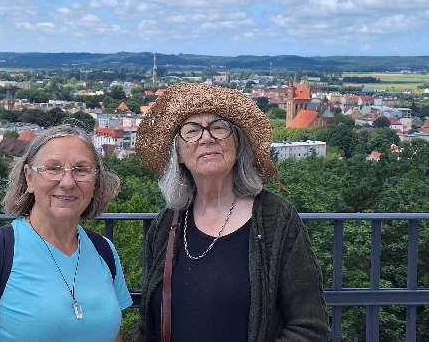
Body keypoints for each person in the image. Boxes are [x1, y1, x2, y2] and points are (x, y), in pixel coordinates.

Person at [134, 83, 330, 342]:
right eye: (191, 131)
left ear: (237, 145)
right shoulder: (166, 225)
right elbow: (147, 328)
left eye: (219, 127)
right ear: (178, 155)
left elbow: (309, 328)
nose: (206, 138)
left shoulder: (276, 219)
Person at [0, 124, 133, 342]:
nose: (67, 182)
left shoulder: (104, 251)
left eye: (81, 170)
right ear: (29, 178)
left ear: (96, 181)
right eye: (53, 169)